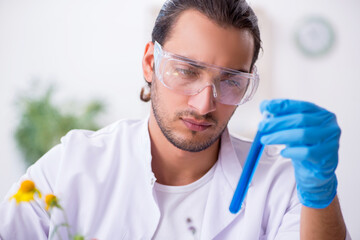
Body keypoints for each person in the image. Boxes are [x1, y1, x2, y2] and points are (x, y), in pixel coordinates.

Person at [0, 0, 351, 239]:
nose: (203, 105)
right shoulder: (71, 167)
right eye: (186, 71)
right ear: (151, 63)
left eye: (231, 81)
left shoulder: (280, 182)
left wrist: (321, 193)